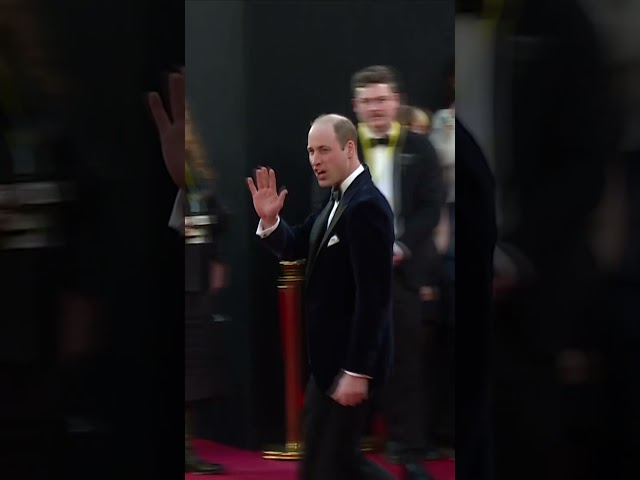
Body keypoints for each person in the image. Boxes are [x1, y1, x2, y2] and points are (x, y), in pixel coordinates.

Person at [247, 114, 396, 480]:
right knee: (320, 464)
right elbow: (297, 243)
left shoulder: (366, 206)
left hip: (350, 364)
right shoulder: (336, 201)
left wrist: (358, 371)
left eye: (324, 150)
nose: (315, 160)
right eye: (311, 151)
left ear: (349, 148)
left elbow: (373, 298)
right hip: (328, 366)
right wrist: (270, 223)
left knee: (335, 465)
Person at [348, 65, 445, 480]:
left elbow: (431, 205)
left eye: (382, 99)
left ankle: (408, 450)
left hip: (404, 274)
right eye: (368, 101)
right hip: (354, 273)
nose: (376, 108)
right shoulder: (340, 145)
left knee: (405, 363)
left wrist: (402, 247)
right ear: (355, 105)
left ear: (397, 101)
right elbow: (325, 200)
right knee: (353, 362)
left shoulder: (421, 149)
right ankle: (348, 451)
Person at [148, 69, 228, 475]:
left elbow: (212, 215)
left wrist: (215, 259)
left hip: (196, 280)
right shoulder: (164, 161)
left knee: (194, 364)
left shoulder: (197, 172)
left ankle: (187, 448)